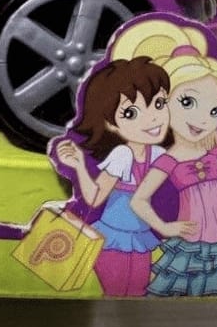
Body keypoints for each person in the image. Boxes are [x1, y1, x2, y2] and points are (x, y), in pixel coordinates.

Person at [119, 19, 217, 297]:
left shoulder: (215, 145)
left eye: (214, 111)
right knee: (183, 287)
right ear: (163, 103)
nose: (202, 119)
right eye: (187, 102)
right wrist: (165, 227)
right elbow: (138, 200)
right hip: (191, 239)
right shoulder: (168, 160)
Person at [53, 56, 169, 296]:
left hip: (141, 236)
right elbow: (95, 198)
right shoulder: (122, 155)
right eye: (132, 113)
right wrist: (80, 166)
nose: (153, 117)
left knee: (138, 291)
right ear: (111, 124)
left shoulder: (157, 154)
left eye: (159, 104)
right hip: (113, 237)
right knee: (115, 291)